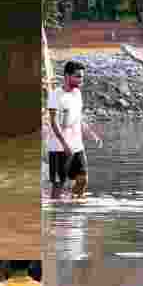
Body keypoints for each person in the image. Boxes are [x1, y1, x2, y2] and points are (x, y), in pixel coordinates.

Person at [47, 60, 101, 198]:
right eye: (77, 76)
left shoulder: (77, 94)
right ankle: (55, 214)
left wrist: (91, 134)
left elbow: (78, 118)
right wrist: (64, 144)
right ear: (67, 76)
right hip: (59, 147)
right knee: (58, 185)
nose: (80, 79)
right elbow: (53, 122)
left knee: (82, 180)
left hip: (77, 146)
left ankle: (74, 207)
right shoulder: (55, 95)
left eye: (82, 76)